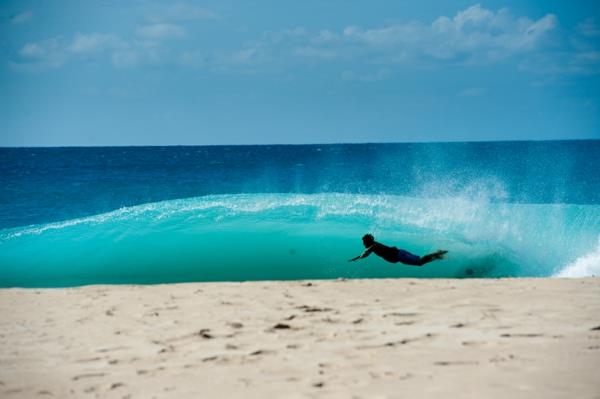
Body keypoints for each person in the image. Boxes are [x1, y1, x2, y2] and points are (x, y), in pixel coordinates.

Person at [348, 234, 447, 266]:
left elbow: (366, 253)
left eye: (364, 242)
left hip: (400, 256)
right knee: (420, 262)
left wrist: (360, 257)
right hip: (400, 252)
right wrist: (356, 258)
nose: (363, 244)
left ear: (368, 242)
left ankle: (437, 253)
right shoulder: (374, 245)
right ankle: (436, 256)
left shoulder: (373, 246)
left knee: (419, 262)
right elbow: (366, 251)